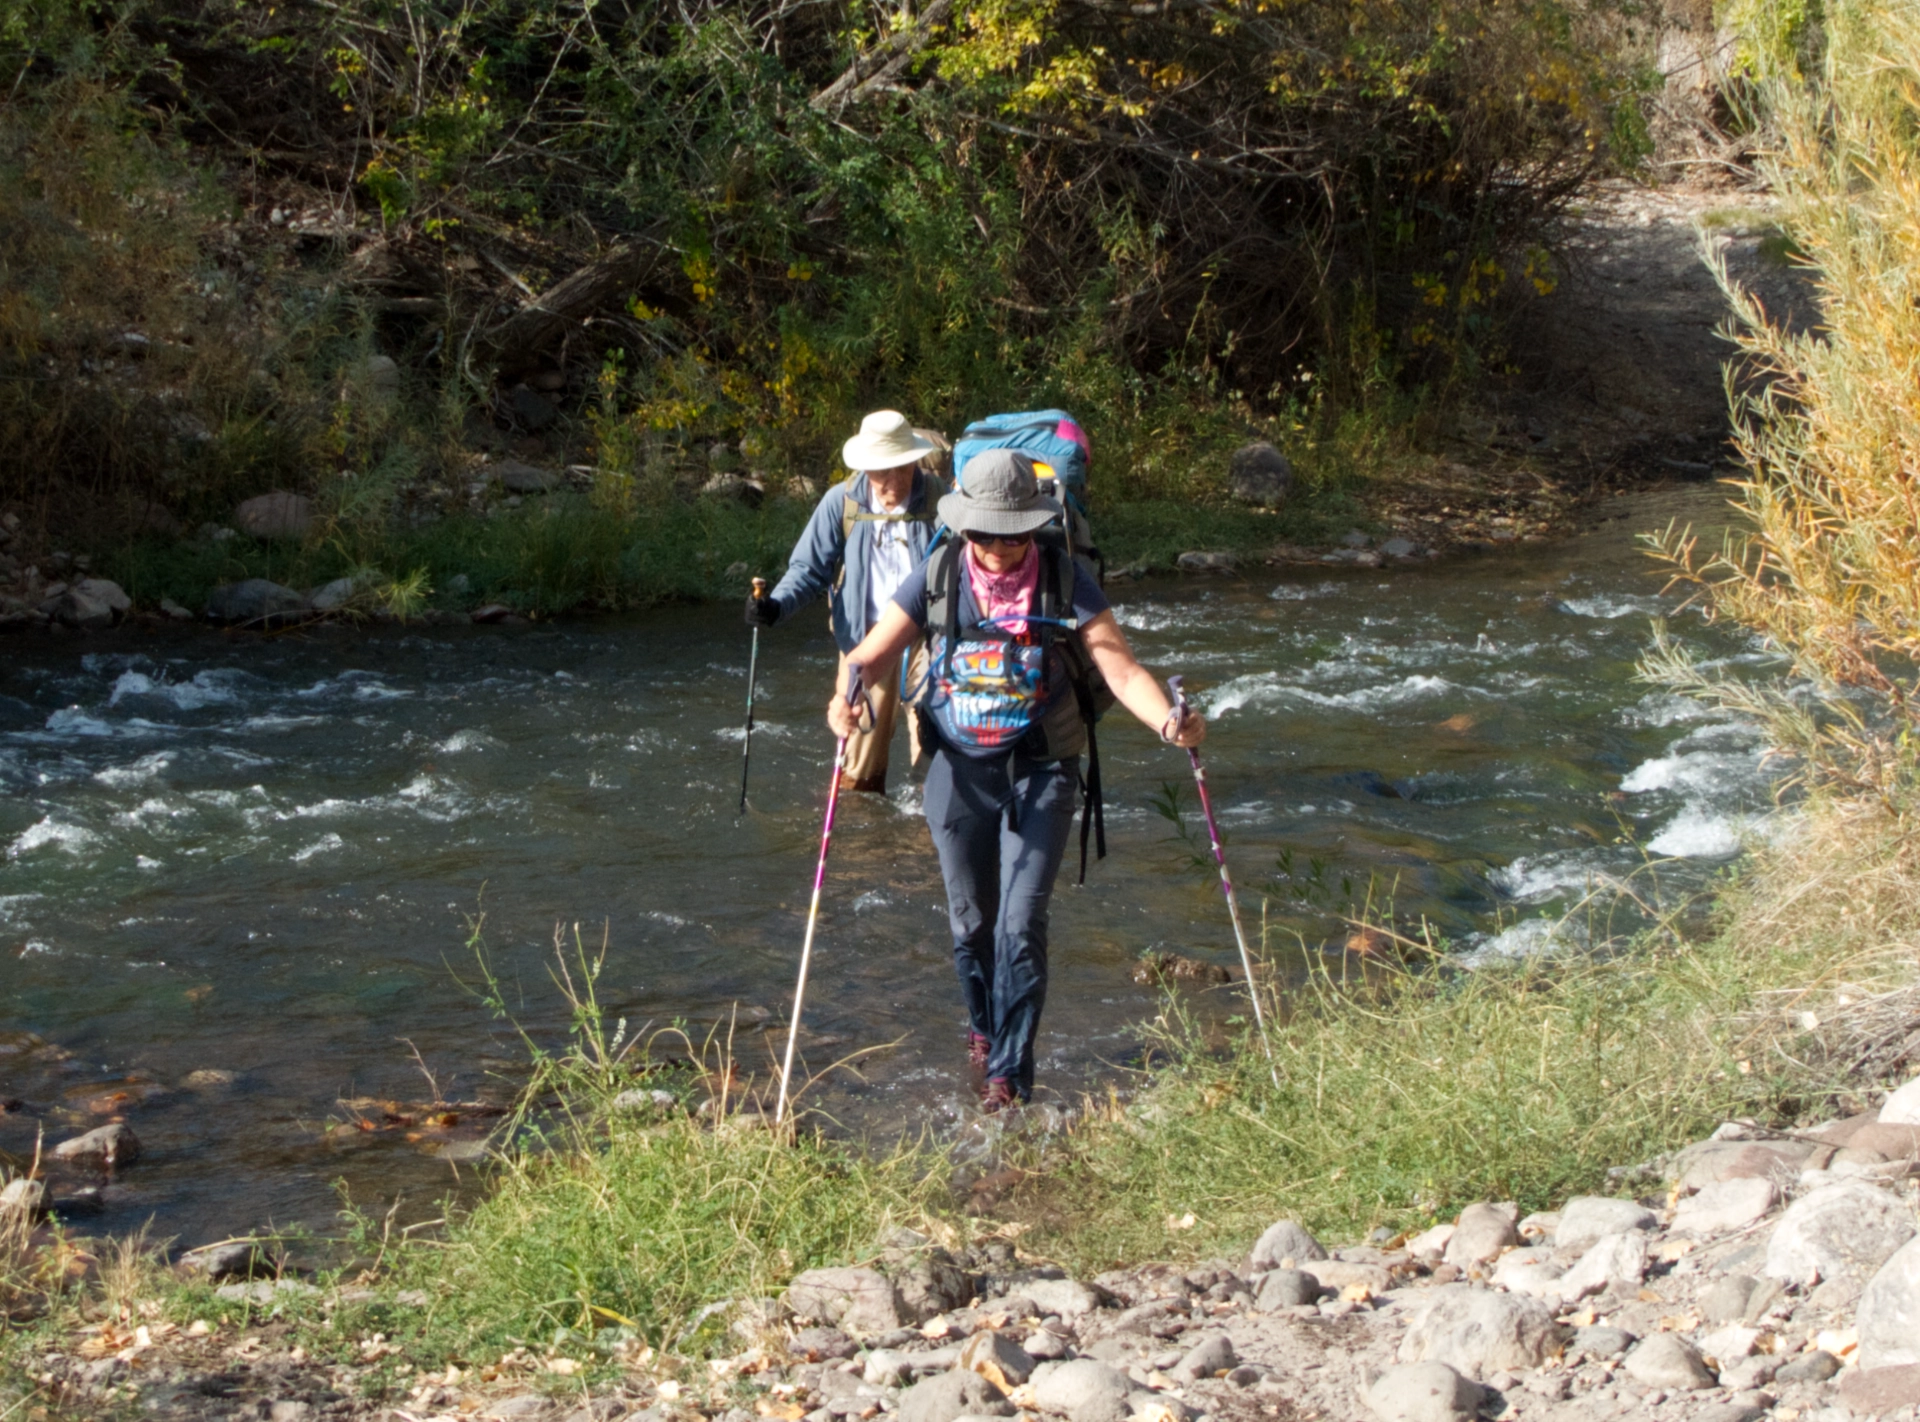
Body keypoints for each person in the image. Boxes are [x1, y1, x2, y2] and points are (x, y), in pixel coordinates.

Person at [826, 449, 1205, 1110]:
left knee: (1021, 923)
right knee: (972, 924)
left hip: (1045, 767)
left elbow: (1120, 671)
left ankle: (1008, 1079)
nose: (1000, 547)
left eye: (1016, 533)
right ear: (964, 525)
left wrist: (1171, 725)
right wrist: (845, 698)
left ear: (1035, 526)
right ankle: (982, 1028)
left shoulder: (1066, 579)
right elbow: (868, 654)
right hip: (956, 768)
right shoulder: (939, 573)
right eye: (986, 532)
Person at [748, 410, 949, 793]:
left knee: (935, 757)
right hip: (864, 642)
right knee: (857, 776)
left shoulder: (941, 499)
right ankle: (862, 846)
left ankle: (928, 838)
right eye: (881, 471)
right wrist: (774, 606)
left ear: (913, 460)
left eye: (901, 469)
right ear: (866, 467)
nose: (892, 482)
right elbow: (808, 570)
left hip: (928, 642)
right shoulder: (840, 503)